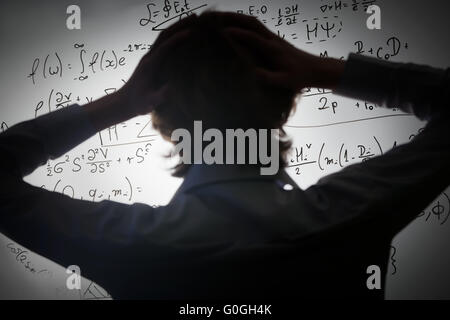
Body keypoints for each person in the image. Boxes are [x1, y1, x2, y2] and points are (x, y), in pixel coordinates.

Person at [0, 11, 449, 299]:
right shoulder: (355, 213)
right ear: (287, 101)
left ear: (161, 119)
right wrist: (322, 69)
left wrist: (118, 104)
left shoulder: (123, 241)